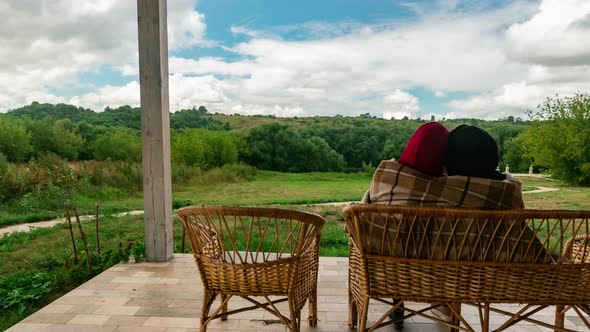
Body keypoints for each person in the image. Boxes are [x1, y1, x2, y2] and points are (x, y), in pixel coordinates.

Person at [361, 124, 530, 328]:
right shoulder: (503, 194)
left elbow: (360, 216)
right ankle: (443, 304)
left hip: (397, 270)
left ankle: (401, 304)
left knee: (405, 240)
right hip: (474, 276)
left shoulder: (402, 184)